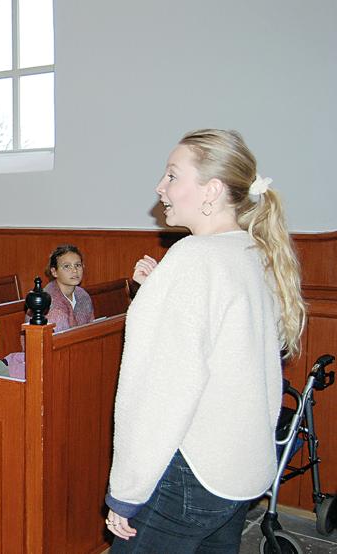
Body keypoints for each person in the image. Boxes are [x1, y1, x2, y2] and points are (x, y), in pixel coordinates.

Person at [105, 129, 307, 552]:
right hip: (236, 471)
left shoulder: (193, 258)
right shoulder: (251, 252)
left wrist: (127, 491)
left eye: (172, 175)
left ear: (211, 190)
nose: (160, 187)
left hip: (188, 470)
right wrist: (159, 294)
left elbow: (158, 393)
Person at [3, 245, 96, 378]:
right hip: (51, 364)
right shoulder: (49, 304)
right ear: (54, 272)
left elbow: (91, 329)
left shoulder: (83, 296)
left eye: (78, 265)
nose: (74, 270)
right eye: (67, 266)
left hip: (79, 356)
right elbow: (52, 352)